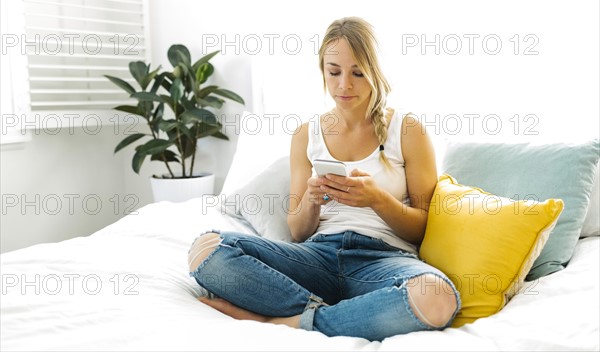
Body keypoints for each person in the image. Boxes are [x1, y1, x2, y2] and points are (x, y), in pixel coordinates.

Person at [187, 17, 460, 341]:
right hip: (316, 258)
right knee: (206, 251)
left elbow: (423, 227)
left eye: (358, 72)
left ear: (375, 71)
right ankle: (349, 314)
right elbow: (298, 230)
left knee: (437, 297)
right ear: (323, 71)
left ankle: (287, 321)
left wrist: (376, 199)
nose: (344, 85)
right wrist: (312, 200)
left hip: (384, 259)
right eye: (334, 72)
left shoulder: (409, 130)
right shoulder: (306, 135)